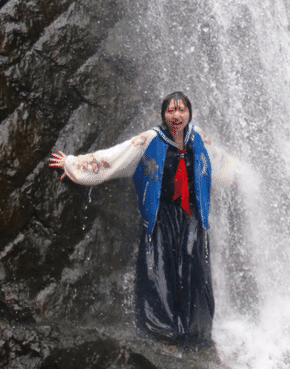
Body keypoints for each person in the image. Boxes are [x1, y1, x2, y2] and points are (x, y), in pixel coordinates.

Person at [49, 91, 216, 348]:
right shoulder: (151, 139)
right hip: (160, 215)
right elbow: (114, 158)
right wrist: (73, 166)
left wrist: (244, 176)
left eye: (181, 110)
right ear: (163, 115)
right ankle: (163, 333)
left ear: (189, 113)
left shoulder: (200, 139)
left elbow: (220, 163)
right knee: (157, 267)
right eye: (170, 110)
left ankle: (196, 333)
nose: (176, 115)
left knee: (193, 266)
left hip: (191, 215)